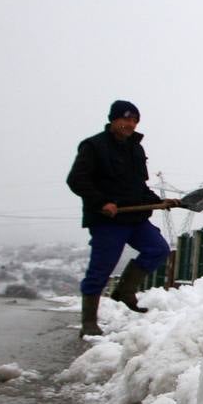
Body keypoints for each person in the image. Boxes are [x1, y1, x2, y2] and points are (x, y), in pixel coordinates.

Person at [66, 99, 179, 336]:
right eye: (126, 119)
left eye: (134, 120)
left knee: (158, 249)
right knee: (101, 268)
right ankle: (89, 322)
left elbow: (139, 186)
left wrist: (160, 200)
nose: (130, 124)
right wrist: (101, 202)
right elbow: (77, 180)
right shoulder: (94, 146)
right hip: (108, 220)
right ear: (113, 119)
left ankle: (125, 290)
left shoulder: (135, 149)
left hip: (135, 217)